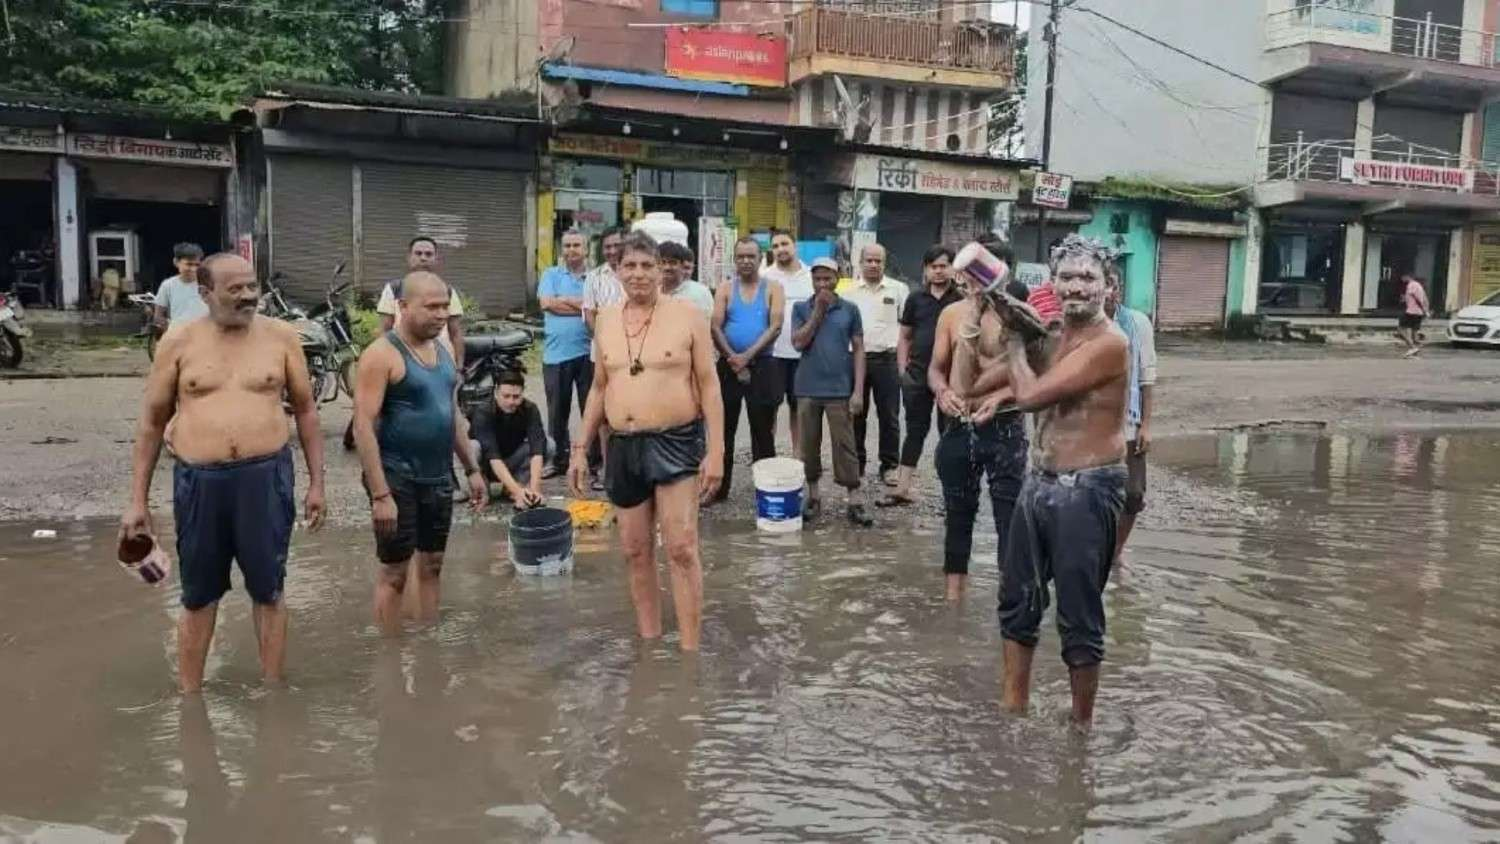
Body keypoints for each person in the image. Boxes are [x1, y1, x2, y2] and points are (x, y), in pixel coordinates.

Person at [121, 253, 326, 693]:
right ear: (205, 293)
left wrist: (317, 484)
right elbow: (153, 422)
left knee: (269, 589)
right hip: (200, 484)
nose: (248, 296)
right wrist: (137, 501)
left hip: (266, 480)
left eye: (252, 286)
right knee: (198, 595)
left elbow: (307, 411)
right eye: (235, 289)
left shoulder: (282, 337)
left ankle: (272, 690)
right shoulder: (178, 341)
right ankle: (189, 697)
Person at [993, 234, 1129, 728]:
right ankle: (1013, 708)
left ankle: (1081, 730)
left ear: (1109, 288)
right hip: (1039, 479)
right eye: (1067, 277)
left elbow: (1028, 395)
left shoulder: (1111, 343)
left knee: (1078, 615)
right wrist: (988, 318)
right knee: (1018, 599)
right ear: (1052, 283)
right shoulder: (1051, 334)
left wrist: (1013, 344)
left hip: (1088, 485)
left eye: (1088, 278)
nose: (1076, 286)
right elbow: (981, 381)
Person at [569, 231, 724, 652]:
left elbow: (709, 386)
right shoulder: (604, 319)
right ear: (616, 272)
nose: (638, 274)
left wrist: (717, 453)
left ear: (661, 270)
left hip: (676, 441)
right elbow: (599, 388)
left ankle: (690, 652)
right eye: (629, 266)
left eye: (646, 266)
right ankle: (651, 645)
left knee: (681, 547)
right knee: (635, 551)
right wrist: (580, 448)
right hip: (623, 445)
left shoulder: (688, 314)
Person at [352, 271, 488, 635]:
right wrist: (381, 495)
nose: (441, 314)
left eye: (445, 305)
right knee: (394, 572)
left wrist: (472, 470)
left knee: (432, 564)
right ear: (402, 307)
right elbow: (362, 426)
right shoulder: (381, 355)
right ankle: (390, 659)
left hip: (438, 475)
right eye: (431, 307)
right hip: (397, 476)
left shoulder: (442, 352)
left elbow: (453, 416)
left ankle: (427, 646)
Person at [924, 247, 1028, 601]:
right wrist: (940, 391)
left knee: (1009, 516)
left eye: (979, 273)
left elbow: (1035, 374)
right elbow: (936, 368)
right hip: (959, 422)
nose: (970, 281)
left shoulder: (1017, 318)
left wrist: (1001, 398)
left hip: (1005, 425)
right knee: (957, 513)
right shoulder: (951, 315)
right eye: (967, 273)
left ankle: (1009, 599)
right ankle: (954, 599)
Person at [792, 257, 874, 527]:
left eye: (828, 278)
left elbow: (859, 349)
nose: (823, 284)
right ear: (812, 281)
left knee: (845, 445)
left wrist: (858, 390)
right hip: (807, 388)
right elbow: (798, 343)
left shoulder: (850, 309)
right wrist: (817, 312)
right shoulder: (801, 308)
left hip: (840, 389)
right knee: (808, 445)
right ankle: (813, 496)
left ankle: (854, 499)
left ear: (838, 279)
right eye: (818, 279)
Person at [885, 244, 963, 507]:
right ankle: (902, 488)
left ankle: (950, 495)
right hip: (917, 376)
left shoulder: (962, 300)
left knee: (949, 433)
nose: (939, 271)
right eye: (934, 266)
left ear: (953, 268)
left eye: (944, 266)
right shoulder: (915, 299)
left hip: (950, 379)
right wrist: (902, 370)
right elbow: (905, 336)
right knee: (915, 430)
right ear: (926, 270)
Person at [709, 237, 785, 503]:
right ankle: (719, 489)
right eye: (740, 256)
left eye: (751, 256)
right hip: (728, 365)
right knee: (723, 428)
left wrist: (747, 357)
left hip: (763, 365)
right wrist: (733, 358)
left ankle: (767, 490)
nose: (745, 261)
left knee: (762, 430)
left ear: (761, 258)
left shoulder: (773, 288)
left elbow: (775, 326)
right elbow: (715, 325)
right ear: (735, 259)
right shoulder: (725, 289)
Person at [840, 243, 908, 487]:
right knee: (855, 413)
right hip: (855, 360)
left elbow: (906, 329)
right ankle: (856, 464)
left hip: (887, 360)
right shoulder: (847, 291)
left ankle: (889, 466)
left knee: (889, 415)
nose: (873, 265)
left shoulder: (899, 289)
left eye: (878, 261)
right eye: (869, 260)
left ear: (884, 263)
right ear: (860, 262)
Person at [537, 230, 600, 482]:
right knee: (556, 412)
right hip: (555, 355)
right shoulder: (550, 274)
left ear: (586, 249)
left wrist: (564, 301)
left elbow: (597, 308)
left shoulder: (594, 278)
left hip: (588, 354)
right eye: (567, 245)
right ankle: (558, 460)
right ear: (561, 249)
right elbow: (546, 304)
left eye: (577, 245)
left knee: (592, 410)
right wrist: (582, 306)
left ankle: (594, 461)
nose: (572, 250)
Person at [1105, 259, 1156, 565]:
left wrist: (1146, 425)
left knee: (1133, 494)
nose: (1109, 291)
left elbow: (1147, 379)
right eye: (1105, 284)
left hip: (1128, 422)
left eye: (1114, 285)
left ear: (1120, 289)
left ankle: (1116, 552)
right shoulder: (1081, 325)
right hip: (1091, 426)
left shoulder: (1138, 324)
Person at [375, 236, 466, 365]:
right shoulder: (394, 289)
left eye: (429, 254)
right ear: (409, 257)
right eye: (418, 253)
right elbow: (384, 330)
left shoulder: (448, 292)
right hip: (403, 363)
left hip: (441, 364)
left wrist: (459, 368)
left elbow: (456, 333)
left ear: (436, 259)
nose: (423, 258)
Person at [763, 229, 813, 455]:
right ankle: (768, 456)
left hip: (803, 355)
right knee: (769, 408)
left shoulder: (811, 276)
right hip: (772, 355)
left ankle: (798, 458)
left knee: (799, 409)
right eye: (775, 246)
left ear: (795, 246)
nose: (780, 249)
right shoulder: (765, 276)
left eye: (785, 244)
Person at [469, 368, 548, 510]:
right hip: (486, 464)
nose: (511, 402)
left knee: (548, 445)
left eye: (516, 396)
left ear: (522, 393)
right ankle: (485, 488)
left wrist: (536, 489)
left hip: (511, 459)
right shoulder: (483, 412)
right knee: (473, 447)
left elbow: (537, 452)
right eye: (506, 396)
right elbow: (493, 457)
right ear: (496, 393)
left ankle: (517, 487)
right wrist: (517, 492)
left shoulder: (530, 409)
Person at [153, 243, 208, 330]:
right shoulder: (168, 285)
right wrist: (174, 330)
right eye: (189, 264)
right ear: (176, 262)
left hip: (204, 335)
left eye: (197, 265)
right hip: (179, 337)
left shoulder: (207, 283)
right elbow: (158, 317)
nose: (193, 269)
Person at [658, 241, 715, 319]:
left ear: (682, 266)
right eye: (663, 262)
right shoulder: (653, 292)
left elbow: (707, 325)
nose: (667, 267)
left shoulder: (700, 293)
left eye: (672, 263)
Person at [1399, 273, 1430, 359]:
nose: (1402, 279)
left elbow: (1417, 299)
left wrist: (1424, 309)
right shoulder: (1419, 285)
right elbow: (1424, 298)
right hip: (1418, 313)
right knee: (1414, 333)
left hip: (1412, 311)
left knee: (1401, 329)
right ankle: (1415, 352)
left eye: (1403, 277)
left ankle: (1412, 348)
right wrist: (1425, 310)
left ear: (1407, 276)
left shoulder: (1411, 285)